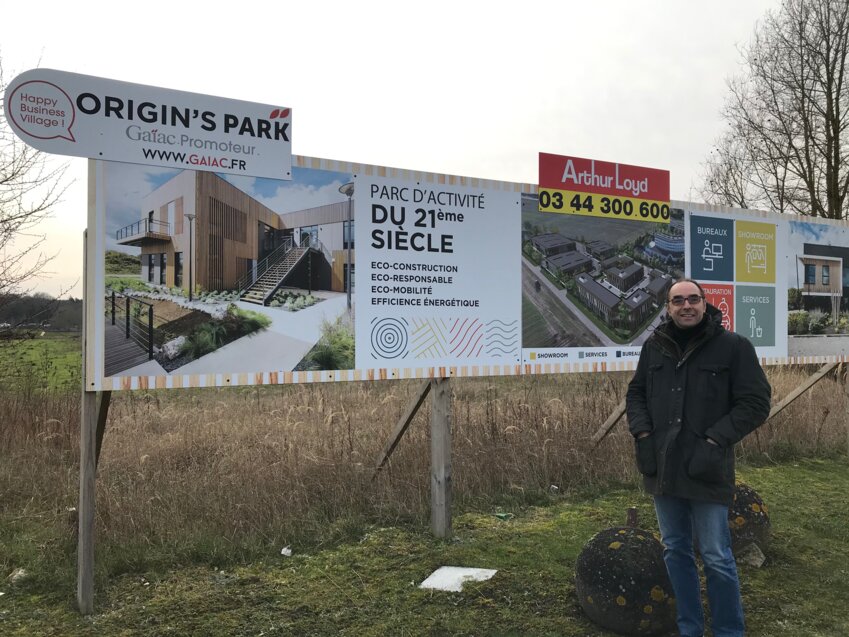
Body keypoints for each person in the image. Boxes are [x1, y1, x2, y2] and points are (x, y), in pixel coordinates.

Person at [625, 278, 771, 637]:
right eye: (678, 301)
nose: (686, 306)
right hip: (663, 467)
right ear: (668, 307)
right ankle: (689, 628)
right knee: (675, 551)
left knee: (717, 556)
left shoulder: (733, 347)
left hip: (708, 468)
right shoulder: (654, 347)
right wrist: (643, 434)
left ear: (705, 304)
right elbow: (636, 393)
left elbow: (755, 403)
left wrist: (714, 440)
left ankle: (728, 631)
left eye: (693, 299)